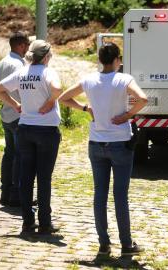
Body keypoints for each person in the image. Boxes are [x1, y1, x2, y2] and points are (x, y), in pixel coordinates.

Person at [59, 42, 148, 256]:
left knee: (99, 194)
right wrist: (127, 115)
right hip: (120, 143)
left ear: (99, 60)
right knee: (120, 195)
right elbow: (143, 99)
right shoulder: (123, 79)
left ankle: (103, 244)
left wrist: (85, 108)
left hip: (96, 143)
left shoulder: (89, 80)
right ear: (117, 59)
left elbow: (63, 97)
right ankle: (126, 244)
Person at [0, 40, 62, 234]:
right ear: (47, 56)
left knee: (26, 177)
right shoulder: (48, 72)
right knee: (43, 178)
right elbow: (57, 89)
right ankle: (45, 223)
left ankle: (27, 221)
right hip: (46, 130)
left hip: (24, 129)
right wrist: (50, 102)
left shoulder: (22, 71)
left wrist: (15, 104)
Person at [0, 32, 29, 207]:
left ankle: (5, 192)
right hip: (18, 114)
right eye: (27, 46)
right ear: (21, 45)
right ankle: (16, 195)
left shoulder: (3, 61)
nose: (28, 50)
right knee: (20, 156)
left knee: (9, 155)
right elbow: (22, 90)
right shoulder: (19, 65)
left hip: (6, 114)